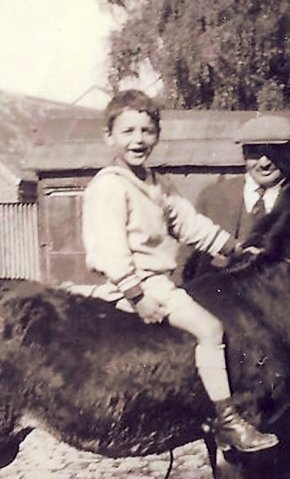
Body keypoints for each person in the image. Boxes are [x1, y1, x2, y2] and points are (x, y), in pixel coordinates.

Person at [81, 89, 278, 453]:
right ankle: (228, 420)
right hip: (135, 283)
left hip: (158, 281)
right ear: (109, 137)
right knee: (210, 329)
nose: (138, 140)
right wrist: (137, 297)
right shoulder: (109, 186)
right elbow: (110, 250)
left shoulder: (157, 183)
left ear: (157, 135)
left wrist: (233, 248)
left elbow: (189, 224)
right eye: (128, 131)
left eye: (147, 131)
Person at [183, 115, 290, 280]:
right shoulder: (213, 197)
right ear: (244, 154)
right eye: (255, 153)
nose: (264, 163)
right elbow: (185, 259)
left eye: (274, 152)